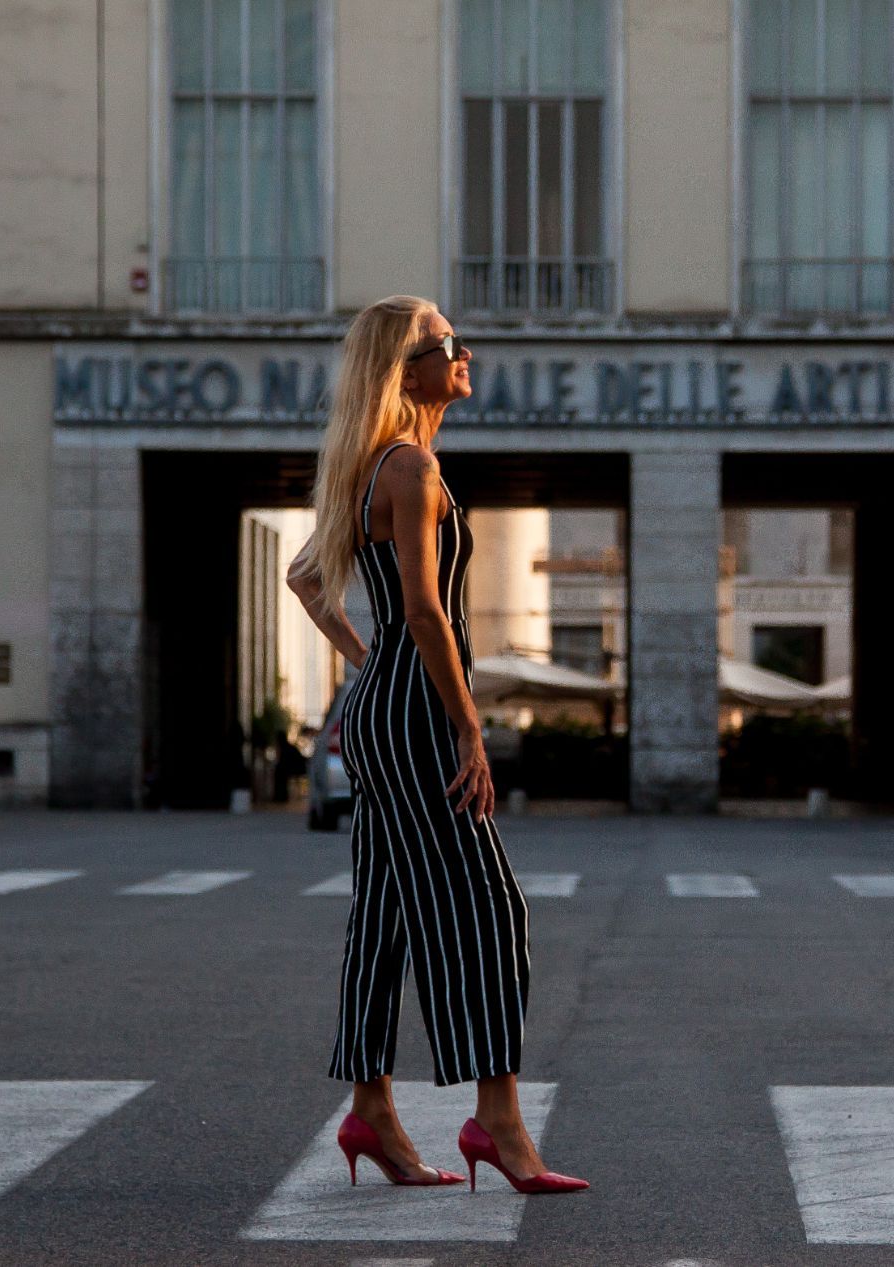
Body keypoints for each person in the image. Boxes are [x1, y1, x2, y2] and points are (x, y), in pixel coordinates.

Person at [286, 296, 587, 1195]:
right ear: (406, 370)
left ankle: (371, 1106)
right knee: (489, 908)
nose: (466, 352)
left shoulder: (376, 466)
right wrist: (467, 723)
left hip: (380, 705)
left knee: (382, 914)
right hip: (416, 714)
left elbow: (306, 580)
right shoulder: (409, 468)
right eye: (446, 343)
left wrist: (366, 665)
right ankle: (496, 1122)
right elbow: (424, 611)